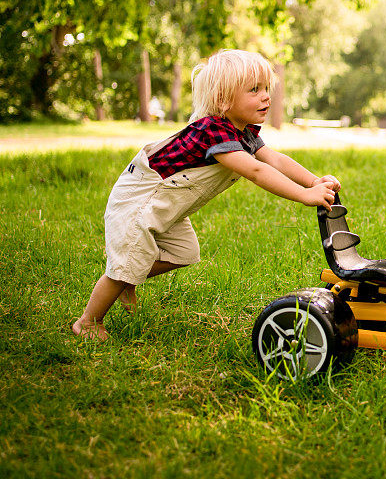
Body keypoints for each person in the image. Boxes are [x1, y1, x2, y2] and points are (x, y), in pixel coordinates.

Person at [72, 49, 340, 340]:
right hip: (140, 200)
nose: (266, 96)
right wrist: (304, 195)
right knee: (124, 265)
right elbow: (256, 171)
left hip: (168, 205)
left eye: (266, 88)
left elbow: (273, 159)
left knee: (183, 253)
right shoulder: (212, 130)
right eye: (254, 90)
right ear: (224, 100)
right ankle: (88, 321)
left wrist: (314, 181)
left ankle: (128, 279)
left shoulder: (245, 131)